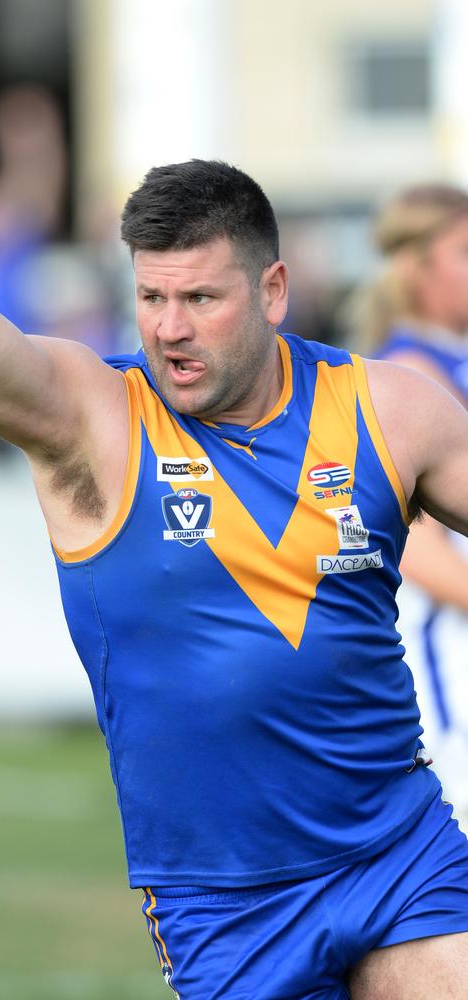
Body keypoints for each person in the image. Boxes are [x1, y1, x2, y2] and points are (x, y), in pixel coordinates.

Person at [0, 51, 468, 1000]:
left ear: (273, 292)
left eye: (201, 298)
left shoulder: (390, 410)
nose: (169, 328)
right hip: (222, 898)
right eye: (151, 298)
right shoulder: (92, 417)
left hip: (397, 850)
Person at [354, 184, 468, 818]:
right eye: (464, 251)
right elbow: (422, 549)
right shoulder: (410, 372)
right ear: (415, 267)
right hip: (450, 655)